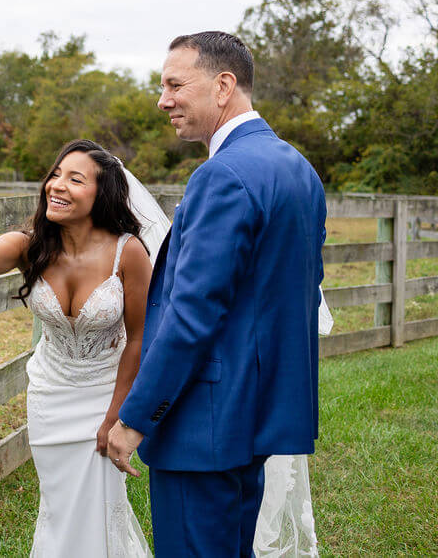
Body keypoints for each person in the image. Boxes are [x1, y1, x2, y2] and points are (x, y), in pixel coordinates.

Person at [107, 32, 327, 557]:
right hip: (256, 414)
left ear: (224, 85)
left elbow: (192, 314)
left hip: (201, 423)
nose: (163, 100)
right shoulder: (298, 168)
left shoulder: (222, 175)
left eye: (175, 84)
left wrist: (135, 418)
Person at [0, 139, 158, 557]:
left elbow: (139, 338)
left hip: (103, 397)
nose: (56, 186)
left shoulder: (128, 253)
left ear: (103, 194)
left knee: (99, 508)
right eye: (55, 175)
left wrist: (117, 417)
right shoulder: (32, 246)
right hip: (50, 397)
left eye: (75, 179)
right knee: (60, 509)